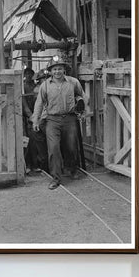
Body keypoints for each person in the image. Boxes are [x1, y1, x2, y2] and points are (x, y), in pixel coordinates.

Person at [32, 57, 85, 190]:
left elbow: (83, 97)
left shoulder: (73, 82)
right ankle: (56, 178)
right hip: (52, 120)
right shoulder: (45, 85)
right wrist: (36, 120)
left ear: (64, 69)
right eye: (54, 69)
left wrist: (82, 111)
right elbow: (39, 104)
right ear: (50, 71)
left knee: (71, 147)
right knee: (53, 148)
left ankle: (72, 169)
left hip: (70, 118)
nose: (57, 71)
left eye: (60, 68)